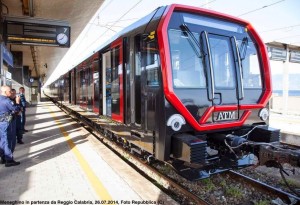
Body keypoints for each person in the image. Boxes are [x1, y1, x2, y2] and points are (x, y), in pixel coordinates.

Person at [0, 85, 21, 167]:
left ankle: (3, 158)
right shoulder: (7, 101)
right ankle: (9, 160)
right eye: (9, 91)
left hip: (1, 123)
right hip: (7, 123)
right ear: (5, 92)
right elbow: (16, 109)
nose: (11, 92)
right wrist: (18, 102)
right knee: (9, 141)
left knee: (2, 141)